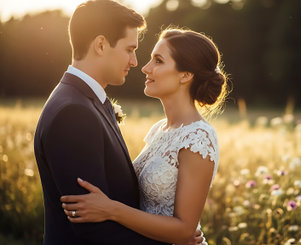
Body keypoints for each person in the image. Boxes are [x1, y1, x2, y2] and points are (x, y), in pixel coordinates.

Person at [34, 1, 203, 244]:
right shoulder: (73, 113)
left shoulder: (83, 101)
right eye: (129, 49)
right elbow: (95, 230)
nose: (135, 62)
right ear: (101, 45)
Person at [60, 28, 229, 245]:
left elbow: (185, 231)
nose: (145, 68)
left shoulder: (198, 138)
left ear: (185, 75)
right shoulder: (160, 129)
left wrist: (111, 210)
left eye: (158, 61)